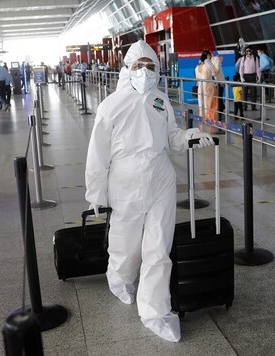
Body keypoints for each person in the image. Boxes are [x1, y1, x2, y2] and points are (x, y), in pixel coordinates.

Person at [84, 40, 214, 343]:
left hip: (161, 179)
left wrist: (191, 136)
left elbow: (172, 137)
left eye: (150, 66)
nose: (144, 72)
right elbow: (97, 154)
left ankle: (155, 311)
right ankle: (119, 280)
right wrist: (96, 194)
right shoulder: (111, 105)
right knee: (126, 244)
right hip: (125, 181)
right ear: (127, 68)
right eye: (137, 66)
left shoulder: (160, 100)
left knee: (158, 249)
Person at [194, 50, 218, 121]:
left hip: (200, 86)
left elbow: (197, 78)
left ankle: (202, 118)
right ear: (207, 56)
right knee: (209, 103)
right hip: (208, 86)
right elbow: (214, 72)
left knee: (201, 103)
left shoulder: (197, 68)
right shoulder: (207, 64)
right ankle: (209, 119)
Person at [239, 46, 261, 111]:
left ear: (251, 51)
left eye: (249, 50)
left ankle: (253, 106)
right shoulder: (243, 58)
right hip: (245, 76)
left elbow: (257, 68)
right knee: (244, 92)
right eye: (247, 51)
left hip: (253, 76)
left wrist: (259, 77)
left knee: (253, 92)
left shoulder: (255, 58)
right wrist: (241, 77)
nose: (248, 52)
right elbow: (241, 68)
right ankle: (244, 106)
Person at [211, 55, 226, 121]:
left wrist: (210, 72)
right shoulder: (211, 61)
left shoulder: (216, 59)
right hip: (215, 83)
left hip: (219, 82)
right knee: (217, 98)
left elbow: (216, 70)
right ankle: (220, 109)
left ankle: (220, 113)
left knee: (219, 98)